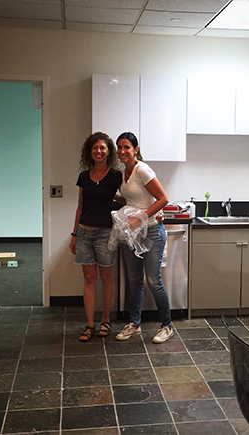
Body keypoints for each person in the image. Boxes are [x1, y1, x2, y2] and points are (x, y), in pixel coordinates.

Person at [114, 132, 173, 344]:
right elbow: (132, 199)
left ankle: (167, 326)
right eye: (119, 147)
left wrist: (141, 217)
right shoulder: (124, 173)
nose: (122, 151)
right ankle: (134, 324)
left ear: (135, 149)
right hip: (133, 234)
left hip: (152, 232)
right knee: (134, 281)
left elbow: (163, 198)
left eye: (126, 147)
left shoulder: (142, 169)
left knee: (153, 281)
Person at [70, 132, 123, 342]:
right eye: (95, 148)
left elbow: (132, 196)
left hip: (105, 234)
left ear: (108, 151)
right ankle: (90, 324)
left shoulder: (116, 176)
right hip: (84, 233)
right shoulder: (84, 176)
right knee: (89, 278)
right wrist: (74, 234)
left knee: (106, 278)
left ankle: (106, 320)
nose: (98, 151)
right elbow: (80, 207)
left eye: (102, 147)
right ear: (89, 151)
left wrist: (151, 209)